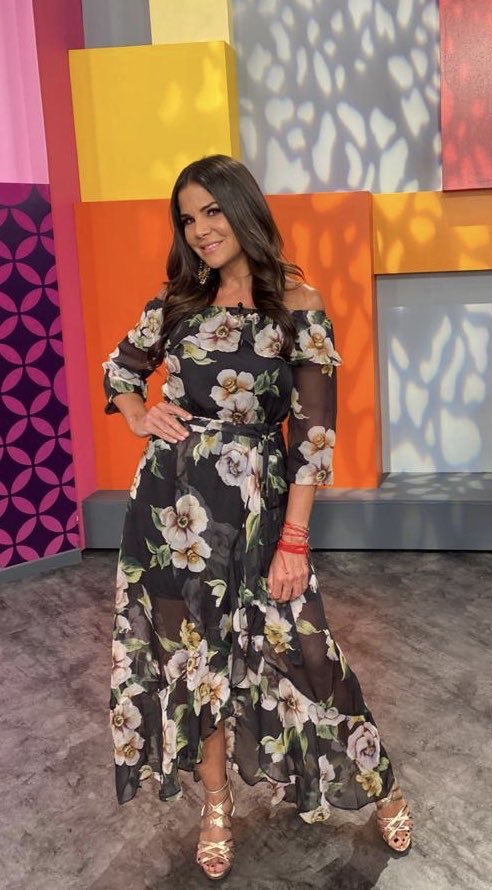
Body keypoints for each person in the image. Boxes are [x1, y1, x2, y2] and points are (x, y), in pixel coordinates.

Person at [104, 155, 413, 881]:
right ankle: (215, 806)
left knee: (308, 652)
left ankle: (381, 786)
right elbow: (119, 370)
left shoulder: (297, 305)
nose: (200, 229)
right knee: (195, 662)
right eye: (188, 218)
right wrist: (140, 414)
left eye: (212, 211)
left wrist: (294, 539)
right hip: (171, 520)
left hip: (257, 516)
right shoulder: (176, 302)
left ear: (243, 209)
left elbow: (312, 436)